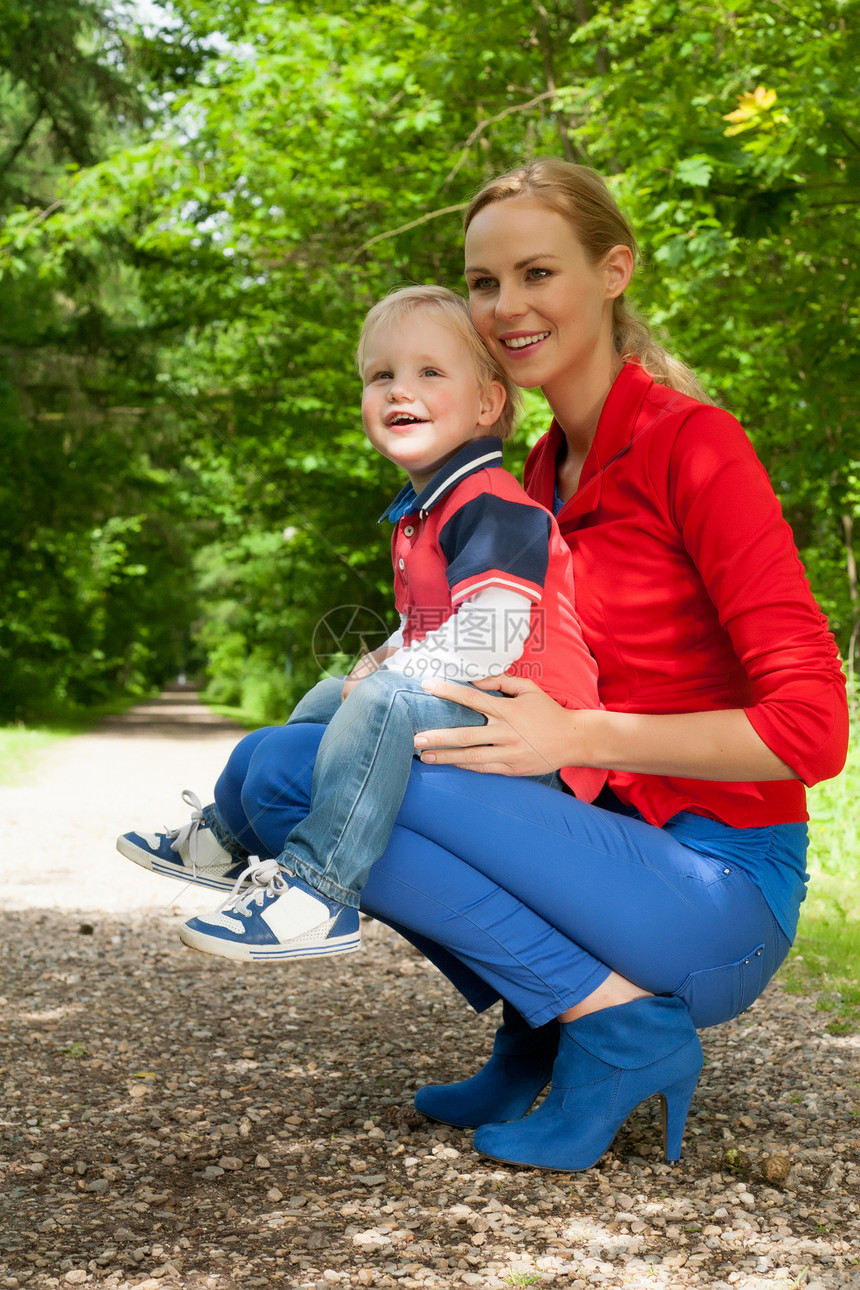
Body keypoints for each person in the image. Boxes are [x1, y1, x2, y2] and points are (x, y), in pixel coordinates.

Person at [117, 160, 848, 1174]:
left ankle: (619, 1032)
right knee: (294, 765)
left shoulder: (696, 449)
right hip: (593, 849)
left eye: (536, 273)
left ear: (612, 272)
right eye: (482, 282)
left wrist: (577, 735)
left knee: (301, 776)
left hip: (716, 885)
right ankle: (546, 1025)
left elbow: (811, 731)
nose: (505, 307)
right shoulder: (530, 475)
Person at [119, 284, 605, 962]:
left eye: (430, 372)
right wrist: (381, 656)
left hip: (532, 732)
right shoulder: (423, 511)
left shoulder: (493, 503)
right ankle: (228, 837)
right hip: (476, 701)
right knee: (331, 693)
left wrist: (393, 677)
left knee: (381, 697)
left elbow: (494, 631)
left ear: (488, 403)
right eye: (383, 376)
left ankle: (321, 890)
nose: (400, 391)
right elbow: (430, 624)